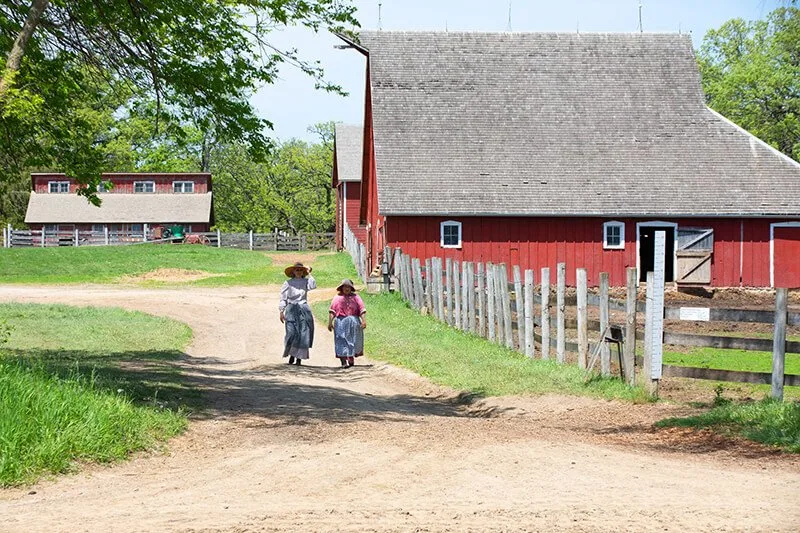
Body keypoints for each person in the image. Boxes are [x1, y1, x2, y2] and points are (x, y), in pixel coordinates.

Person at [279, 262, 316, 365]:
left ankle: (299, 357)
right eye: (297, 270)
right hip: (291, 308)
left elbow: (313, 286)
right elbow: (283, 297)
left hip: (303, 307)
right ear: (293, 272)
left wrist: (309, 273)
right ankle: (291, 355)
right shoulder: (288, 283)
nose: (299, 272)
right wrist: (281, 310)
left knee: (303, 332)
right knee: (291, 333)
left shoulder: (306, 281)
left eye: (301, 270)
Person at [327, 279, 366, 368]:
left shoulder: (356, 297)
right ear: (342, 288)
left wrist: (363, 321)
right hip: (340, 322)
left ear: (351, 288)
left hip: (353, 322)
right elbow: (332, 311)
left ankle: (350, 357)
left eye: (348, 287)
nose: (347, 288)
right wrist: (330, 322)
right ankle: (343, 361)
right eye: (345, 286)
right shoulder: (337, 298)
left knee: (352, 340)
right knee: (341, 340)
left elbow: (362, 309)